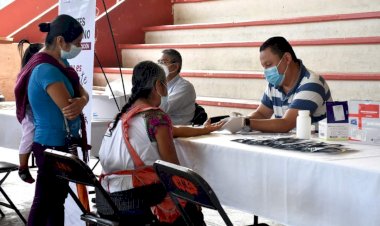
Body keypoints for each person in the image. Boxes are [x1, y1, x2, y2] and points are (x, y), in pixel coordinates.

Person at [99, 61, 209, 225]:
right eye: (165, 83)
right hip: (137, 200)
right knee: (191, 207)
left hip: (107, 201)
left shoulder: (122, 117)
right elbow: (173, 169)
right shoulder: (156, 117)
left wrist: (204, 129)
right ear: (158, 85)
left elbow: (173, 131)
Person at [14, 14, 89, 226]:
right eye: (76, 43)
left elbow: (81, 93)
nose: (79, 47)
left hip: (58, 144)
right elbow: (69, 109)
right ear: (60, 41)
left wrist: (82, 100)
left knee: (57, 201)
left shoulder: (59, 60)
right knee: (45, 201)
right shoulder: (46, 68)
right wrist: (81, 100)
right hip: (51, 145)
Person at [222, 36, 332, 133]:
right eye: (263, 67)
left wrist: (244, 122)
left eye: (269, 65)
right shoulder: (275, 83)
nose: (266, 72)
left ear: (287, 58)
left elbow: (286, 124)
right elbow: (262, 114)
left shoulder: (312, 83)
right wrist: (238, 121)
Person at [16, 40, 44, 184]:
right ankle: (23, 167)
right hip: (28, 110)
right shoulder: (28, 74)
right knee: (29, 133)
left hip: (35, 110)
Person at [157, 49, 196, 125]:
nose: (159, 65)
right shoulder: (160, 83)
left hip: (178, 130)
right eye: (159, 62)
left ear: (175, 67)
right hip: (161, 126)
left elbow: (162, 109)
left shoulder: (185, 87)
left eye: (163, 62)